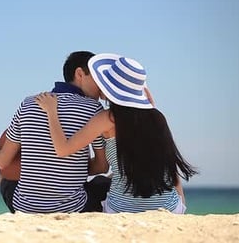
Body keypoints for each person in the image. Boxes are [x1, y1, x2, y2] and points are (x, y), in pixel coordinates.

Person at [36, 53, 198, 214]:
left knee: (98, 185)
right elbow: (168, 164)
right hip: (170, 209)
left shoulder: (107, 118)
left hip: (121, 209)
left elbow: (63, 149)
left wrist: (52, 111)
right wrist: (180, 204)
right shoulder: (158, 118)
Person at [0, 51, 110, 213]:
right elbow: (102, 166)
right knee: (105, 181)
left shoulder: (28, 103)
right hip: (73, 209)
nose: (102, 85)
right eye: (98, 78)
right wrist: (71, 166)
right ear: (80, 74)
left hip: (22, 208)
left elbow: (2, 161)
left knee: (1, 177)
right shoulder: (93, 109)